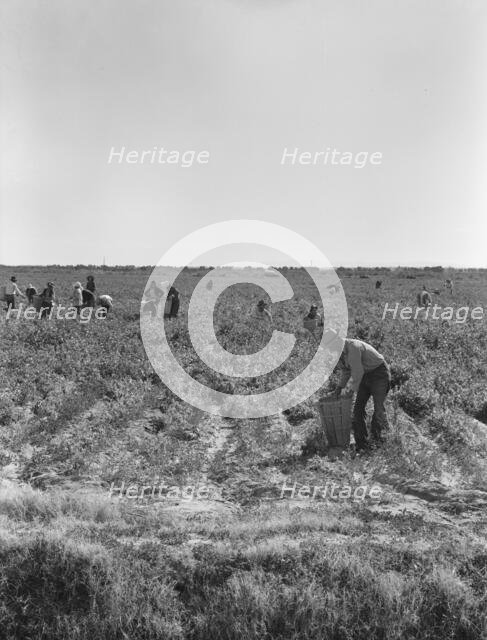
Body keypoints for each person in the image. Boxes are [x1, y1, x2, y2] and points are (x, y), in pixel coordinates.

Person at [324, 329, 391, 452]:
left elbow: (357, 371)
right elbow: (346, 371)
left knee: (379, 408)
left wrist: (351, 390)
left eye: (331, 346)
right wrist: (339, 388)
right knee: (357, 411)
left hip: (379, 373)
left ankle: (382, 441)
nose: (330, 349)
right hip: (365, 376)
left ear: (337, 341)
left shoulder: (353, 347)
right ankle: (362, 446)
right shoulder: (340, 353)